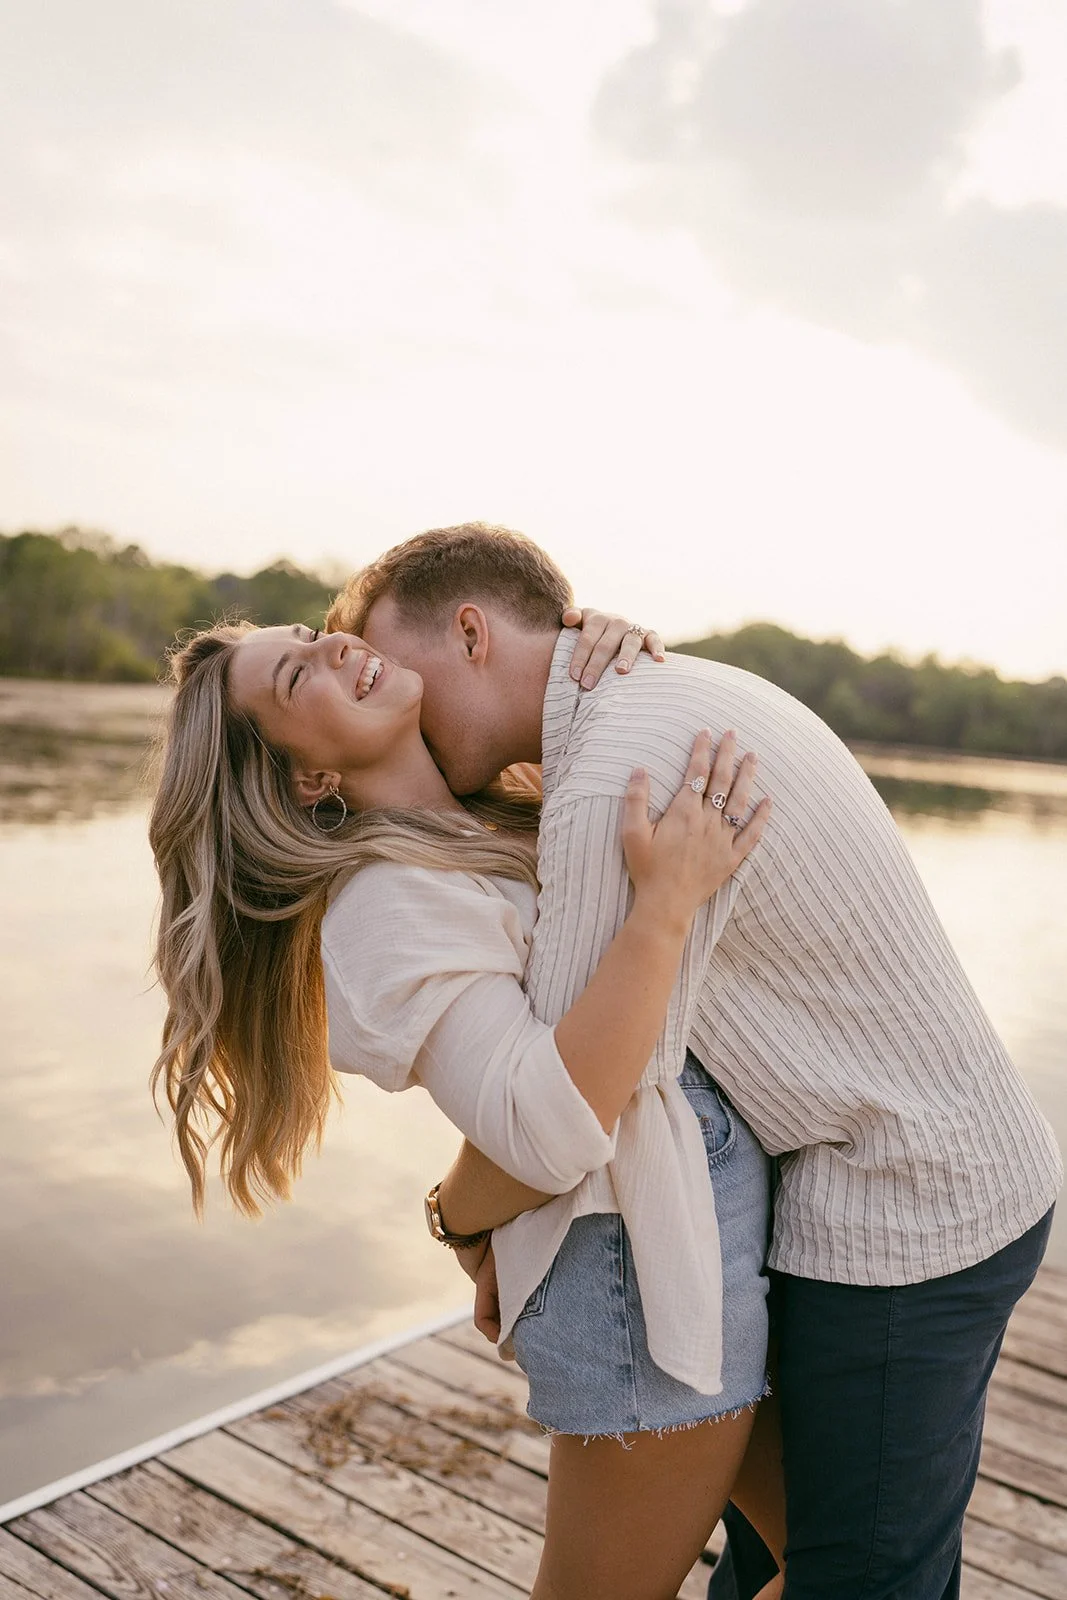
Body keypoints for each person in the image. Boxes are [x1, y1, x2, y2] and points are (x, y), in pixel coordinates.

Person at [325, 520, 1063, 1600]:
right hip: (863, 1180)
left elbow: (573, 1111)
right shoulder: (640, 707)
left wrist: (463, 1222)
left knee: (862, 1579)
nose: (396, 700)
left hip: (909, 1205)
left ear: (472, 634)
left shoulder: (613, 783)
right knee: (774, 1562)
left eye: (396, 668)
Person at [148, 605, 782, 1600]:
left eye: (309, 635)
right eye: (297, 677)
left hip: (687, 1252)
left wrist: (591, 650)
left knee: (844, 1560)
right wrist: (664, 908)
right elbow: (544, 1124)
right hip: (627, 1283)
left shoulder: (491, 814)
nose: (333, 647)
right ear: (307, 779)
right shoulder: (384, 904)